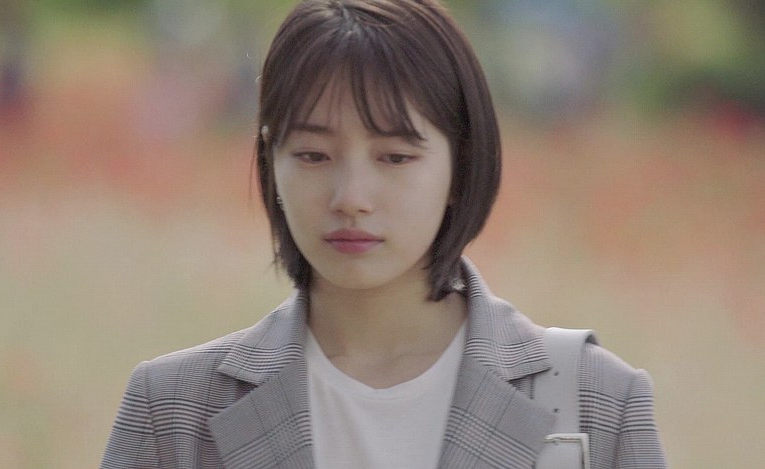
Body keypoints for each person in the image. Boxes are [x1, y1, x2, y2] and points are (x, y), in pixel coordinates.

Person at [101, 1, 666, 468]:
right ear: (271, 162)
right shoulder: (173, 410)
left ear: (460, 167)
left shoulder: (598, 403)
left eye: (395, 157)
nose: (351, 197)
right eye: (313, 155)